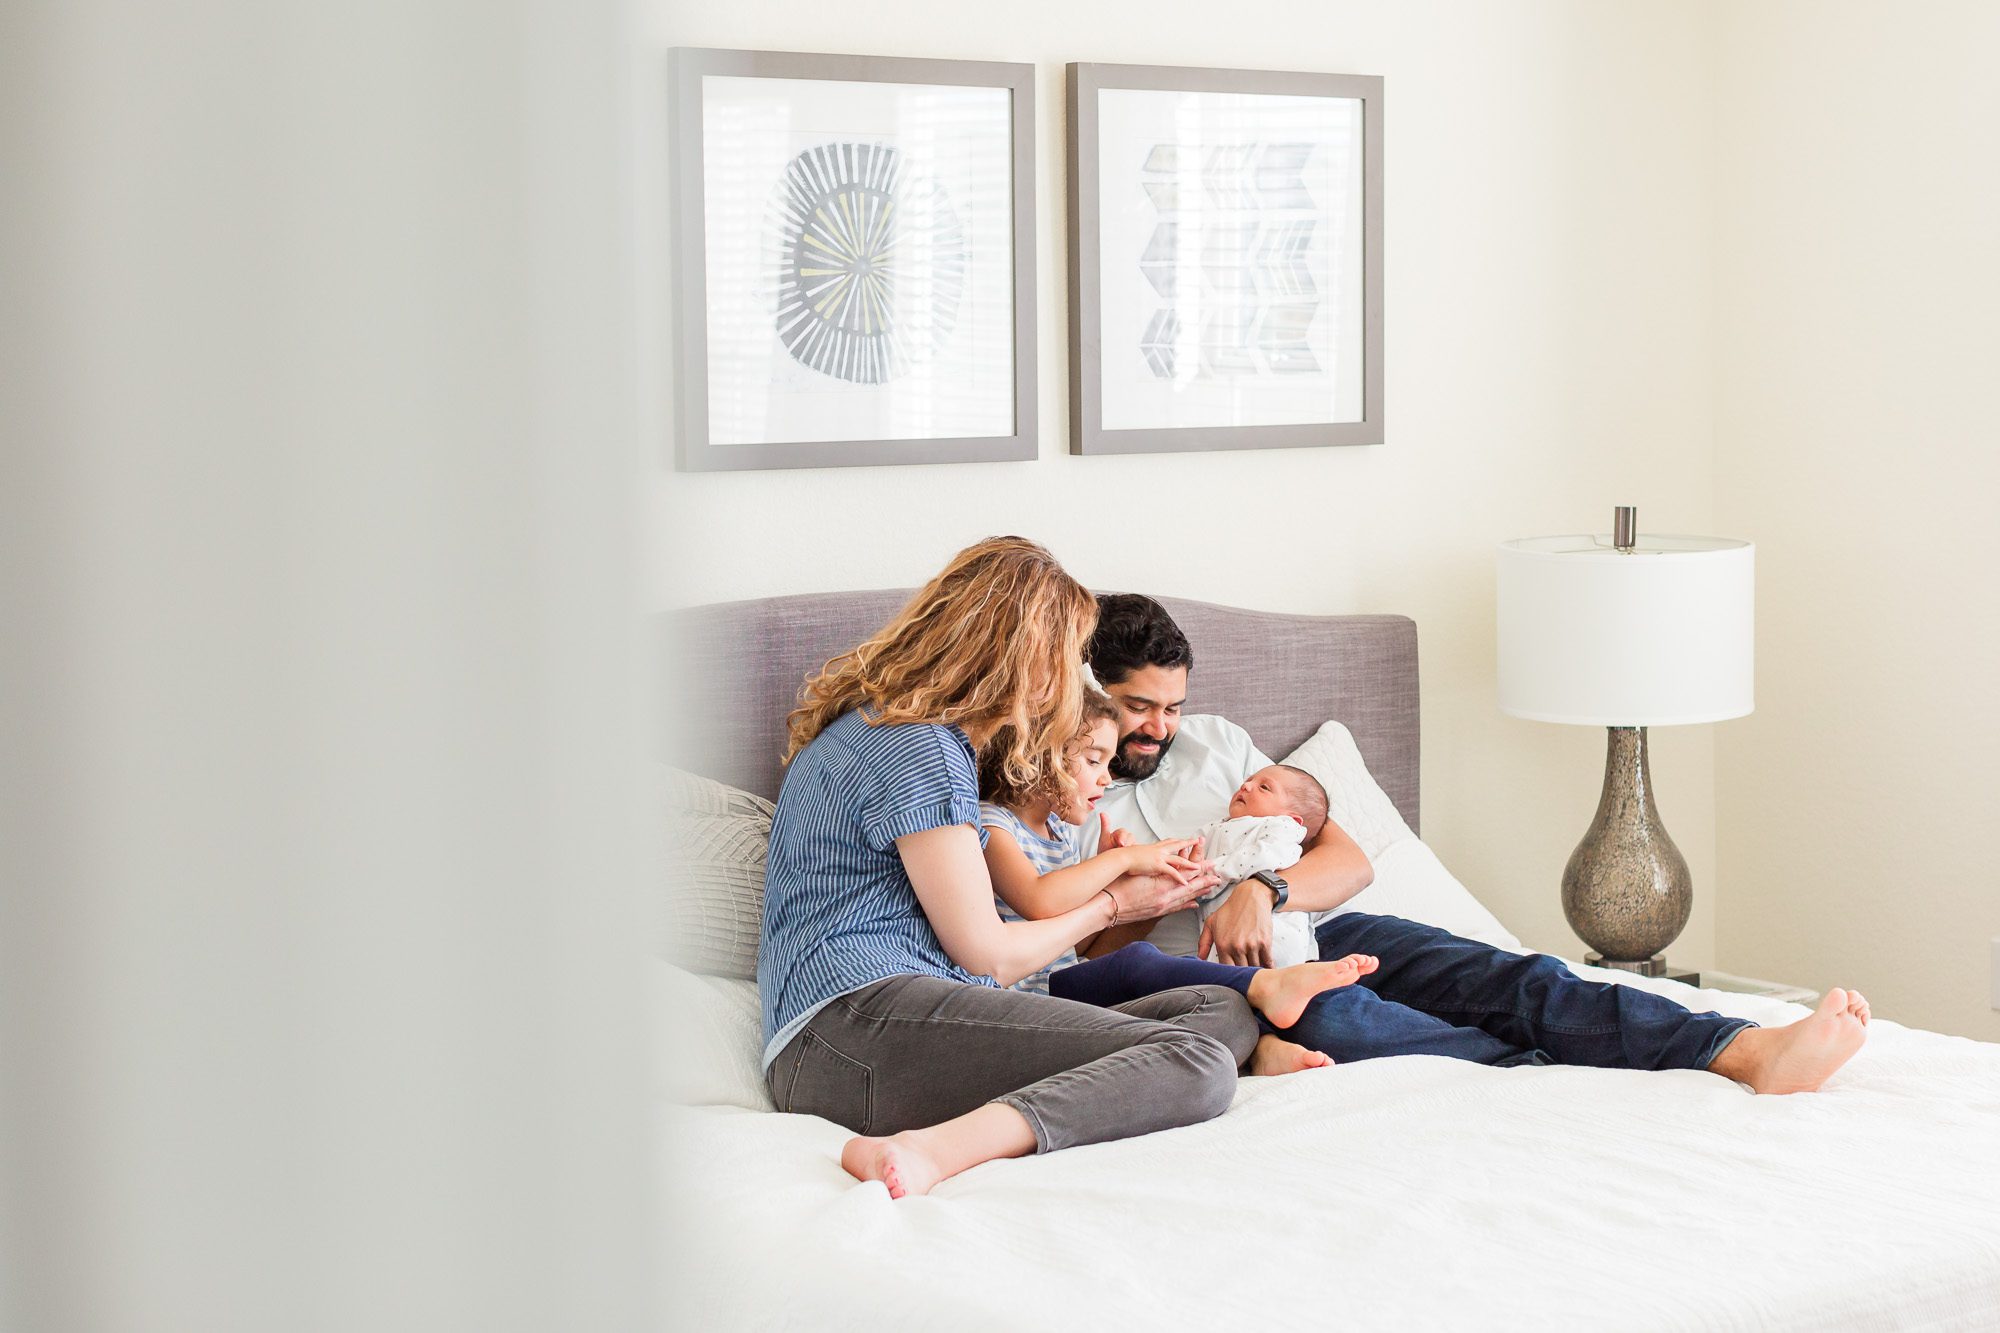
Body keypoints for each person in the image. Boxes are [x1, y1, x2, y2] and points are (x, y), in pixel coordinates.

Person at [1074, 592, 1872, 1093]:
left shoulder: (1216, 741)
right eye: (1140, 706)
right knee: (1342, 1022)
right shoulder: (1062, 779)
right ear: (1088, 687)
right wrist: (1142, 897)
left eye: (1173, 706)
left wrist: (1265, 887)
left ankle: (1740, 1047)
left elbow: (1346, 860)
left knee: (1517, 976)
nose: (1160, 727)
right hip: (1214, 979)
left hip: (1321, 926)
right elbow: (1086, 962)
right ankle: (1550, 1080)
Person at [758, 539, 1262, 1203]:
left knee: (1220, 1010)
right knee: (1199, 1064)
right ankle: (933, 1147)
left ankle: (1026, 1110)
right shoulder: (917, 745)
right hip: (846, 1033)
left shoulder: (896, 730)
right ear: (1028, 660)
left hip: (873, 1029)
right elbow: (990, 955)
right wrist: (1114, 905)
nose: (1075, 683)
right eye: (1070, 659)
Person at [977, 688, 1377, 1073]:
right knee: (1138, 962)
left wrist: (1119, 894)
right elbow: (1039, 901)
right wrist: (1122, 860)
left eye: (1173, 708)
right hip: (1030, 998)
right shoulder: (994, 826)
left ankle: (1261, 1050)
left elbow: (1075, 942)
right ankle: (1267, 987)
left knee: (1216, 1007)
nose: (1105, 779)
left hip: (1065, 983)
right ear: (1042, 755)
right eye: (1094, 761)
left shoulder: (1057, 830)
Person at [1187, 764, 1329, 969]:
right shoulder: (1215, 827)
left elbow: (1265, 856)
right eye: (1249, 780)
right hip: (1222, 939)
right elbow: (1189, 854)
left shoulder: (1281, 828)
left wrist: (1212, 872)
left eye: (1264, 787)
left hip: (1274, 928)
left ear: (1291, 818)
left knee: (1279, 970)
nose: (1246, 785)